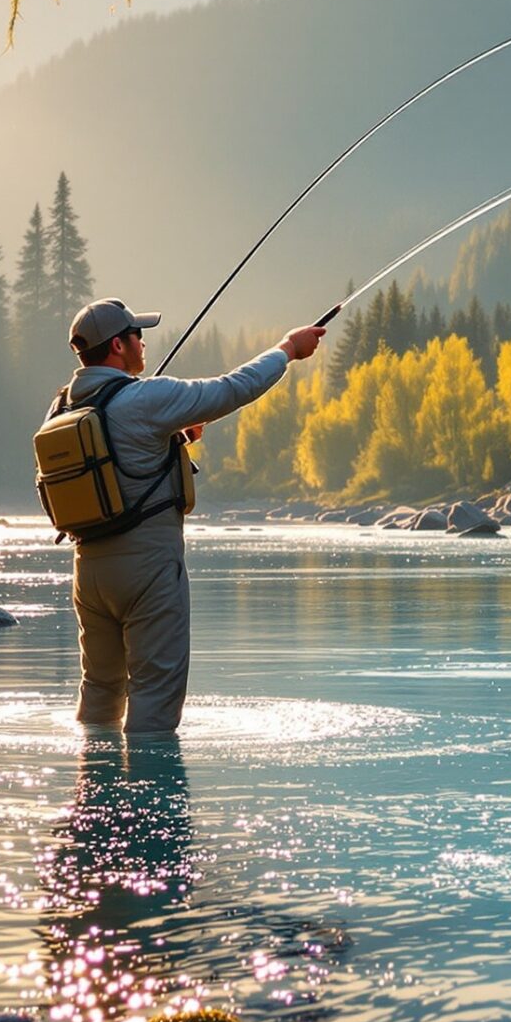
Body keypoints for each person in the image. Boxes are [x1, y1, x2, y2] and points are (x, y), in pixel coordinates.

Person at [51, 297, 325, 734]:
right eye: (137, 335)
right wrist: (288, 349)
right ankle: (150, 799)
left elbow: (107, 469)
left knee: (100, 692)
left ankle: (92, 795)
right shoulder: (145, 398)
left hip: (89, 574)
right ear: (119, 346)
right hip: (149, 570)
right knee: (154, 698)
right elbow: (233, 388)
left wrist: (170, 437)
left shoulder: (63, 408)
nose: (143, 343)